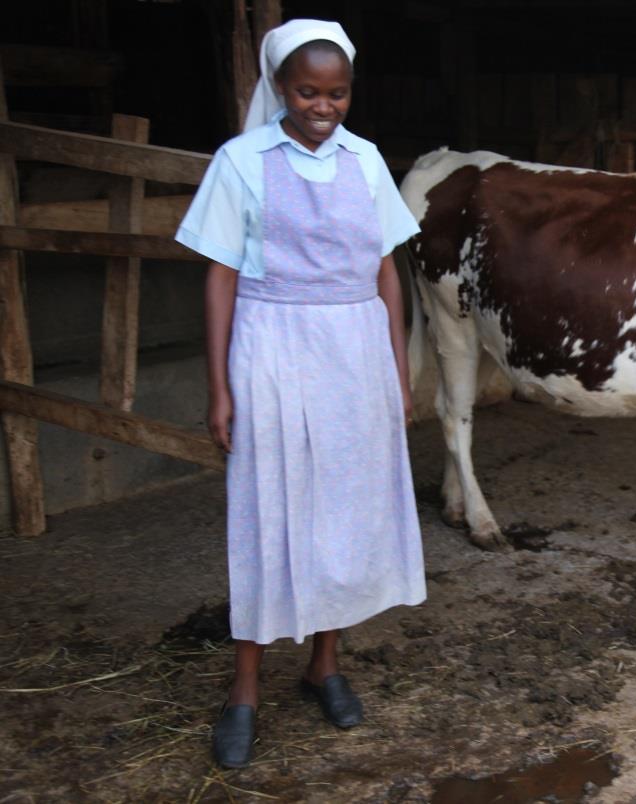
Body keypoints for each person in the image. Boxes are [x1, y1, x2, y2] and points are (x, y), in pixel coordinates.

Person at [174, 19, 426, 769]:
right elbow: (220, 275)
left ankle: (325, 664)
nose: (324, 105)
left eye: (338, 92)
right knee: (267, 508)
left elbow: (386, 270)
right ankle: (245, 687)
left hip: (355, 351)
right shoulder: (241, 160)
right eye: (309, 91)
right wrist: (219, 385)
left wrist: (397, 366)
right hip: (273, 345)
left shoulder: (367, 160)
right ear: (280, 89)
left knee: (344, 508)